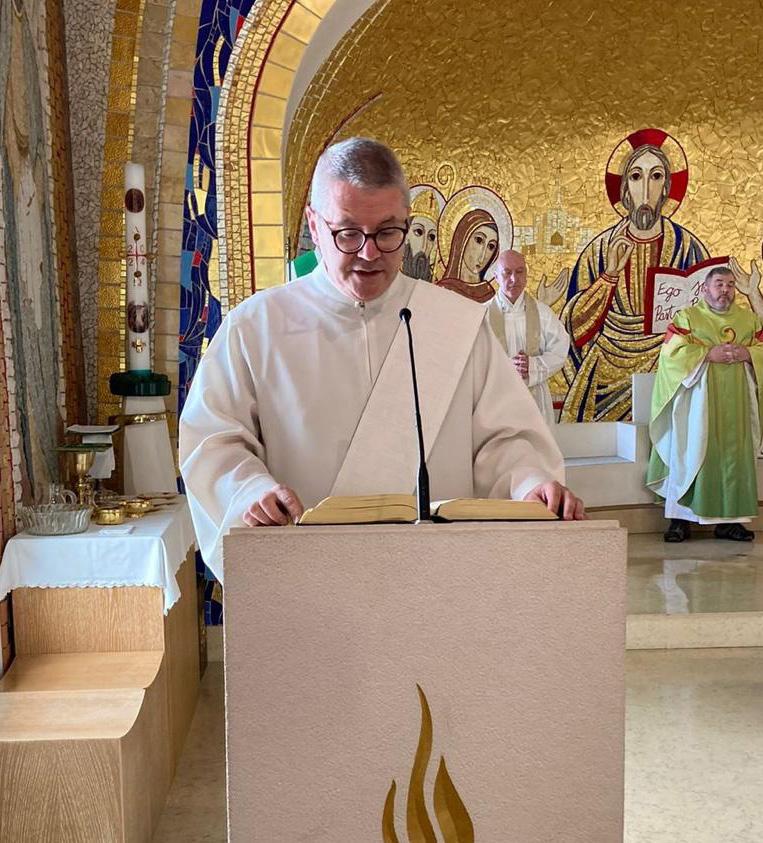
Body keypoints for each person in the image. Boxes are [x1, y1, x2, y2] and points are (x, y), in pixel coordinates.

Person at [180, 138, 584, 580]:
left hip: (440, 580)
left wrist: (530, 485)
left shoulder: (457, 323)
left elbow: (504, 441)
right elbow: (215, 442)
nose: (369, 253)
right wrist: (249, 493)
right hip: (308, 580)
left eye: (388, 232)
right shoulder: (255, 327)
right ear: (314, 225)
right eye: (348, 233)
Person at [561, 130, 709, 422]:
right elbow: (573, 329)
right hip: (603, 375)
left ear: (666, 188)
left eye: (656, 177)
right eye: (636, 177)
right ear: (625, 189)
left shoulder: (688, 249)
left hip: (669, 369)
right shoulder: (599, 251)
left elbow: (708, 318)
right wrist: (609, 276)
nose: (646, 190)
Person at [647, 267, 763, 542]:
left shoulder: (749, 320)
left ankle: (730, 522)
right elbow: (671, 354)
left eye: (730, 285)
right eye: (719, 284)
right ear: (705, 289)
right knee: (690, 452)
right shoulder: (688, 317)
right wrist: (707, 354)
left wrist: (748, 353)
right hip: (695, 404)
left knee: (735, 458)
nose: (725, 290)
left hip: (738, 403)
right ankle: (680, 520)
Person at [488, 250, 570, 425]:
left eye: (519, 272)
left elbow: (560, 349)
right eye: (507, 272)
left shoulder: (543, 313)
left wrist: (532, 366)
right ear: (496, 277)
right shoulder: (481, 316)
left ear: (526, 275)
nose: (514, 279)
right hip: (495, 401)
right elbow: (473, 359)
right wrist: (504, 367)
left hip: (535, 401)